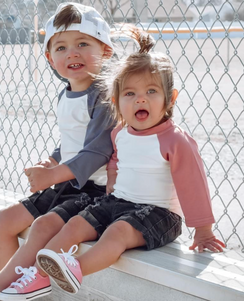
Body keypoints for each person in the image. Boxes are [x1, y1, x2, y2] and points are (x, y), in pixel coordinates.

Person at [0, 3, 118, 301]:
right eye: (61, 48)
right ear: (50, 58)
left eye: (83, 44)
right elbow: (71, 143)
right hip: (67, 182)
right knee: (5, 220)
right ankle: (9, 290)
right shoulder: (67, 93)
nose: (72, 53)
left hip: (93, 191)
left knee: (41, 226)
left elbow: (95, 154)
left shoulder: (104, 95)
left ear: (106, 50)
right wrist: (52, 160)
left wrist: (51, 174)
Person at [33, 27, 226, 295]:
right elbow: (115, 160)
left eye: (151, 91)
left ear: (170, 99)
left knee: (118, 233)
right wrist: (112, 179)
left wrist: (203, 230)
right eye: (130, 94)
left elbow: (193, 184)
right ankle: (36, 275)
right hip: (118, 203)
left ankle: (74, 269)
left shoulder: (175, 140)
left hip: (158, 213)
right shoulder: (119, 133)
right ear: (116, 102)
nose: (141, 99)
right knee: (75, 224)